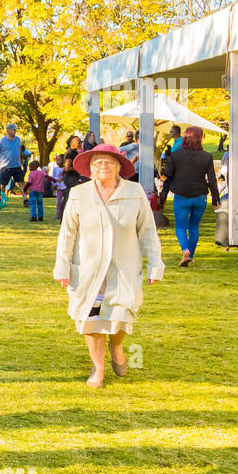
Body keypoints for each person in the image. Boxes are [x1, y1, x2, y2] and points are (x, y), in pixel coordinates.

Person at [54, 145, 163, 389]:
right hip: (89, 269)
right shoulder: (79, 193)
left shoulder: (134, 192)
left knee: (121, 316)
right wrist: (62, 267)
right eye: (97, 162)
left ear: (118, 167)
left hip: (123, 268)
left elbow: (148, 231)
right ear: (90, 169)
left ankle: (116, 345)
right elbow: (67, 234)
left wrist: (155, 264)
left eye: (108, 162)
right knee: (91, 320)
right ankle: (98, 368)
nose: (103, 166)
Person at [164, 126, 220, 266]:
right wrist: (215, 199)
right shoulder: (207, 156)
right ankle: (190, 255)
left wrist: (163, 194)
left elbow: (168, 175)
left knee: (181, 227)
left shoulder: (176, 155)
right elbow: (212, 180)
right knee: (194, 226)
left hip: (181, 195)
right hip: (200, 196)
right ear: (200, 138)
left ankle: (185, 250)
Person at [0, 124, 25, 194]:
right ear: (8, 130)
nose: (15, 131)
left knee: (21, 183)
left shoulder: (18, 139)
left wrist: (20, 162)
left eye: (15, 130)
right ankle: (2, 200)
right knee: (2, 184)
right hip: (6, 167)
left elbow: (18, 151)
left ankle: (25, 199)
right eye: (14, 130)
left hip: (17, 165)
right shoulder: (1, 140)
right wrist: (1, 160)